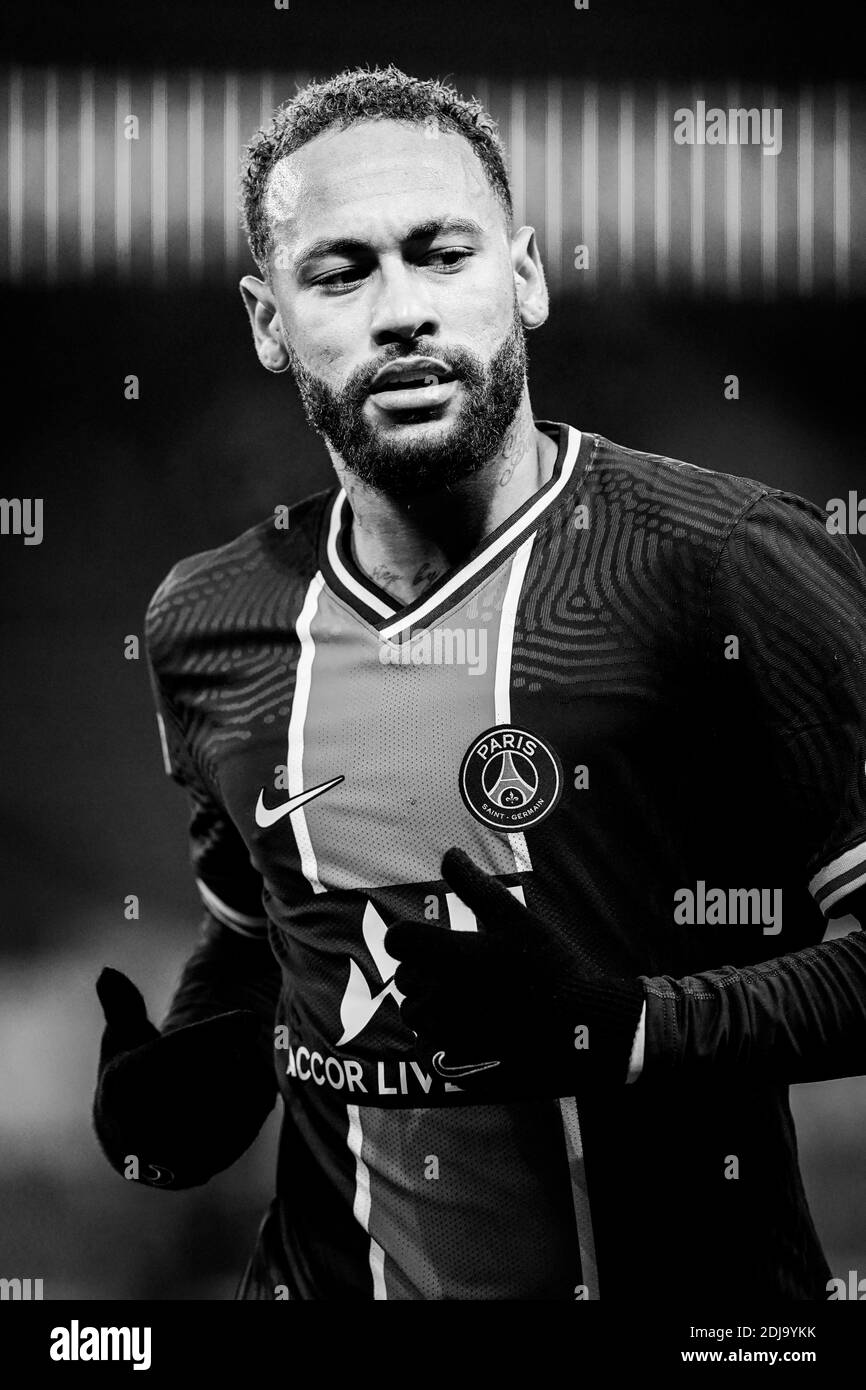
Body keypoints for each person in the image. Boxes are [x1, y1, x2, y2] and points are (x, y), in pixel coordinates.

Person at [93, 65, 866, 1301]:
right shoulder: (206, 619)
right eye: (340, 271)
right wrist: (203, 1050)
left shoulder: (728, 564)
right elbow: (257, 924)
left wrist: (621, 1026)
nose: (401, 309)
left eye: (439, 253)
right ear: (267, 319)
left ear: (524, 277)